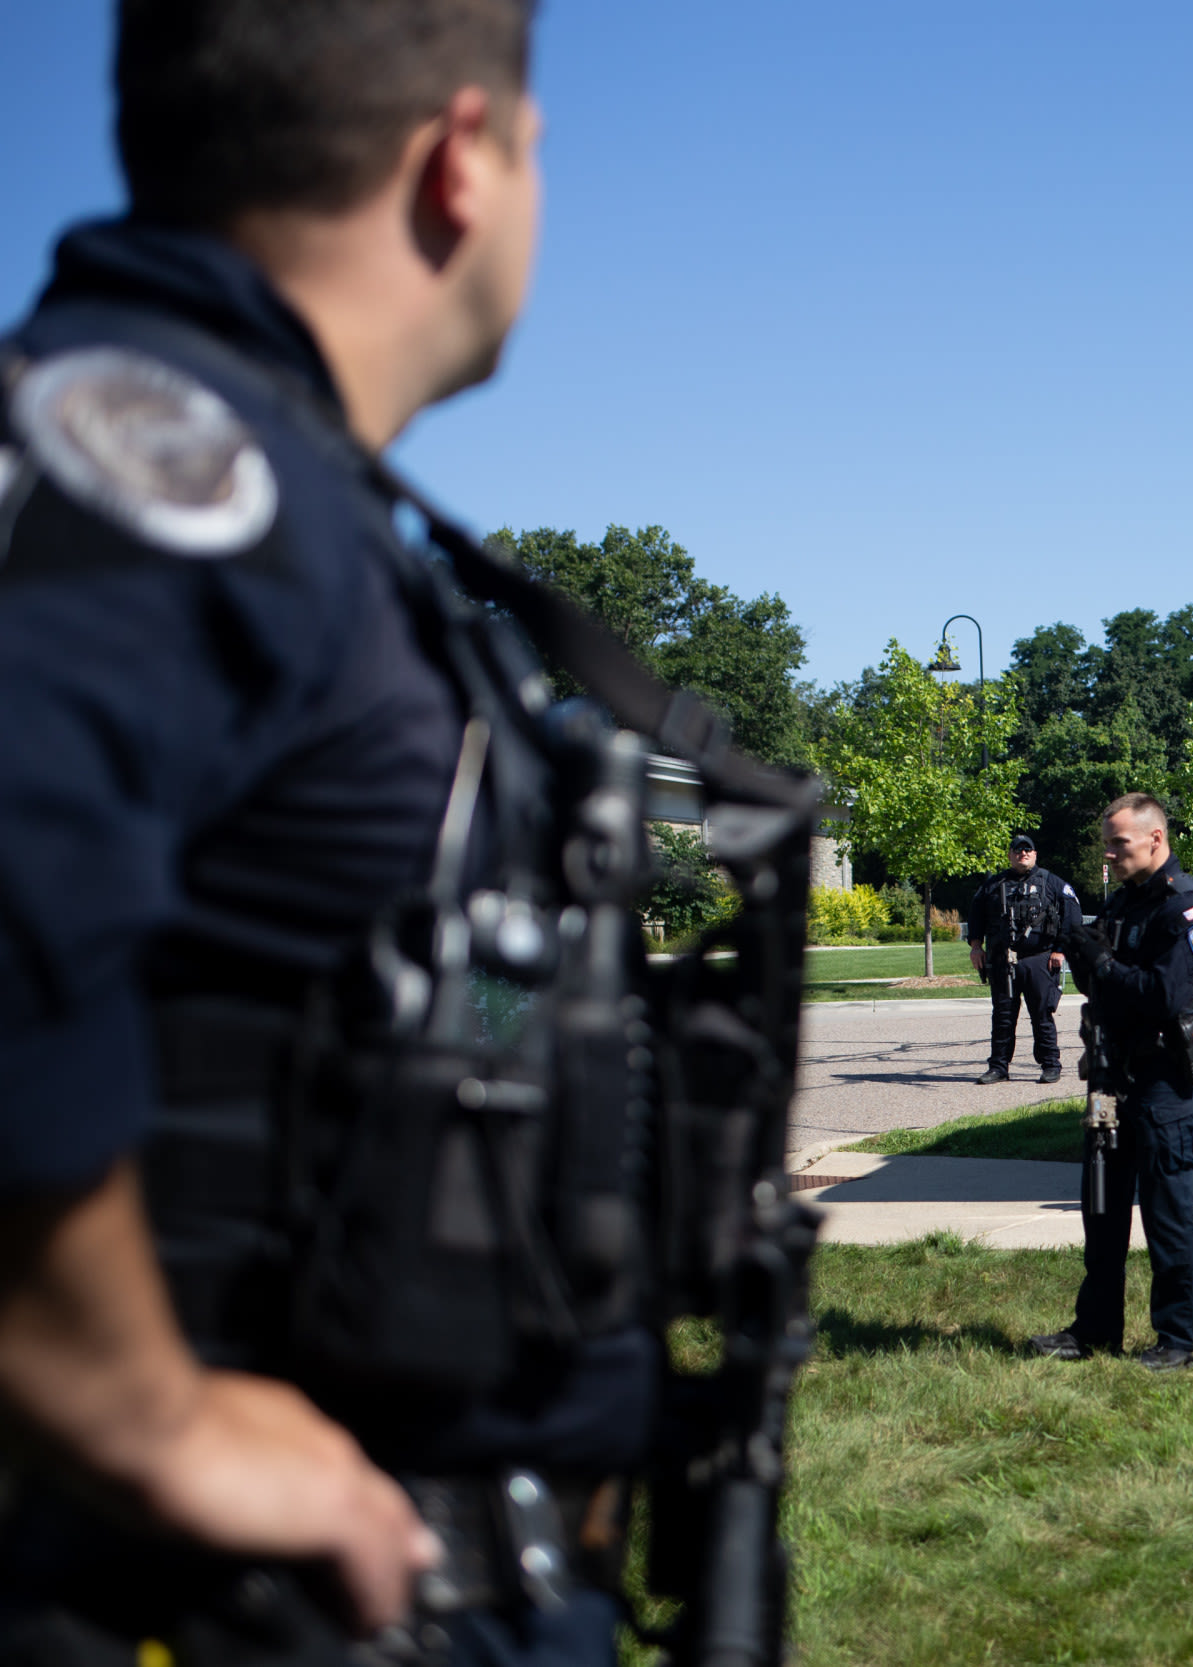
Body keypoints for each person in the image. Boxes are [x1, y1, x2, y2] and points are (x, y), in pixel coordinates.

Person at [0, 1, 659, 1659]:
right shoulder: (159, 470)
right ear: (460, 164)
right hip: (218, 1601)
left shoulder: (302, 509)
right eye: (536, 152)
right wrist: (140, 1408)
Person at [1027, 795, 1193, 1372]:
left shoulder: (1186, 910)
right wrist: (1081, 952)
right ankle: (1095, 1331)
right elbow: (1103, 990)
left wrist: (1103, 965)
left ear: (1155, 839)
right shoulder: (1125, 903)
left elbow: (1163, 997)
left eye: (1119, 843)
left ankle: (1182, 1340)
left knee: (1167, 1213)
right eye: (1105, 843)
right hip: (1110, 1081)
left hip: (1160, 1085)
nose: (1108, 854)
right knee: (1102, 1211)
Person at [966, 833, 1083, 1086]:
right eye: (1017, 851)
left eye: (1027, 850)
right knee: (1003, 1016)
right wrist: (976, 946)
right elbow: (975, 916)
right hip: (1002, 960)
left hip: (1039, 959)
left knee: (1042, 1014)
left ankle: (1051, 1064)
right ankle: (998, 1067)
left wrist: (1060, 950)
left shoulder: (1052, 882)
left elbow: (1072, 916)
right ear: (1009, 855)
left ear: (1035, 854)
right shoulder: (992, 885)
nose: (1023, 854)